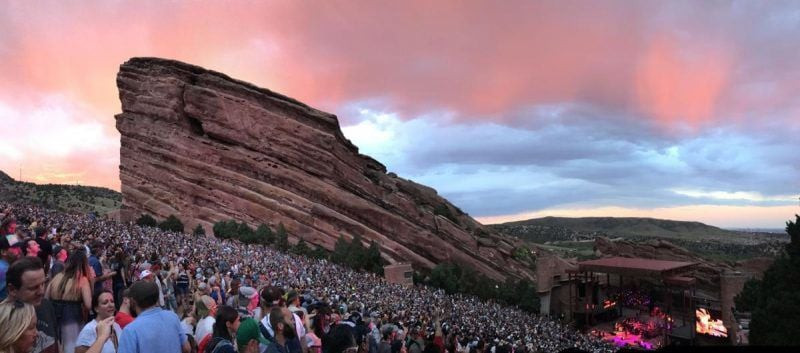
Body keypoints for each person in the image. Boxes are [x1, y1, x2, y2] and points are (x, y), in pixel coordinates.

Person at [4, 256, 59, 353]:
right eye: (33, 288)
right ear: (12, 289)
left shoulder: (46, 305)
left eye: (43, 284)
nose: (41, 292)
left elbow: (57, 343)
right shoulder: (4, 319)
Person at [117, 281, 190, 353]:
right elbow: (186, 348)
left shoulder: (130, 330)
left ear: (133, 301)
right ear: (156, 298)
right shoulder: (172, 317)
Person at [46, 248, 93, 353]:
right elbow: (89, 305)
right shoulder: (82, 280)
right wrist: (92, 281)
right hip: (72, 318)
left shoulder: (57, 277)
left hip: (54, 317)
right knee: (71, 347)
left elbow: (46, 298)